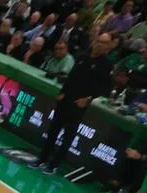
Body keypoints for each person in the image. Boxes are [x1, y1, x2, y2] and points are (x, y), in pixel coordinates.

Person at [31, 33, 114, 175]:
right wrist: (62, 92)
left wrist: (88, 99)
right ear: (94, 41)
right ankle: (42, 158)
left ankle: (54, 164)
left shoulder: (106, 65)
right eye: (99, 41)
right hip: (66, 99)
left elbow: (105, 88)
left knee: (67, 136)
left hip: (78, 104)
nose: (100, 44)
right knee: (52, 131)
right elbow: (71, 76)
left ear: (108, 46)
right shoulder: (82, 57)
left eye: (104, 43)